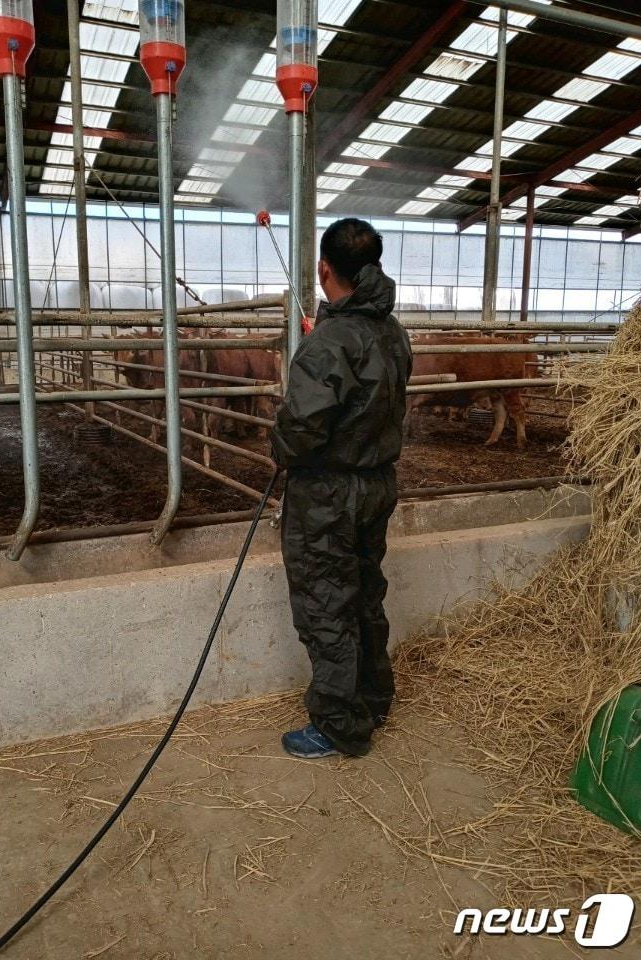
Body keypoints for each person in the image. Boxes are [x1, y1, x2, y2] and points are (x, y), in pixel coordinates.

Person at [271, 218, 412, 759]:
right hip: (377, 483)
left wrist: (277, 442)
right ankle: (373, 698)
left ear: (324, 269)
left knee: (326, 601)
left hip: (328, 492)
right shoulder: (392, 331)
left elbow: (302, 428)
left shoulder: (329, 341)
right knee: (364, 593)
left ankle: (338, 724)